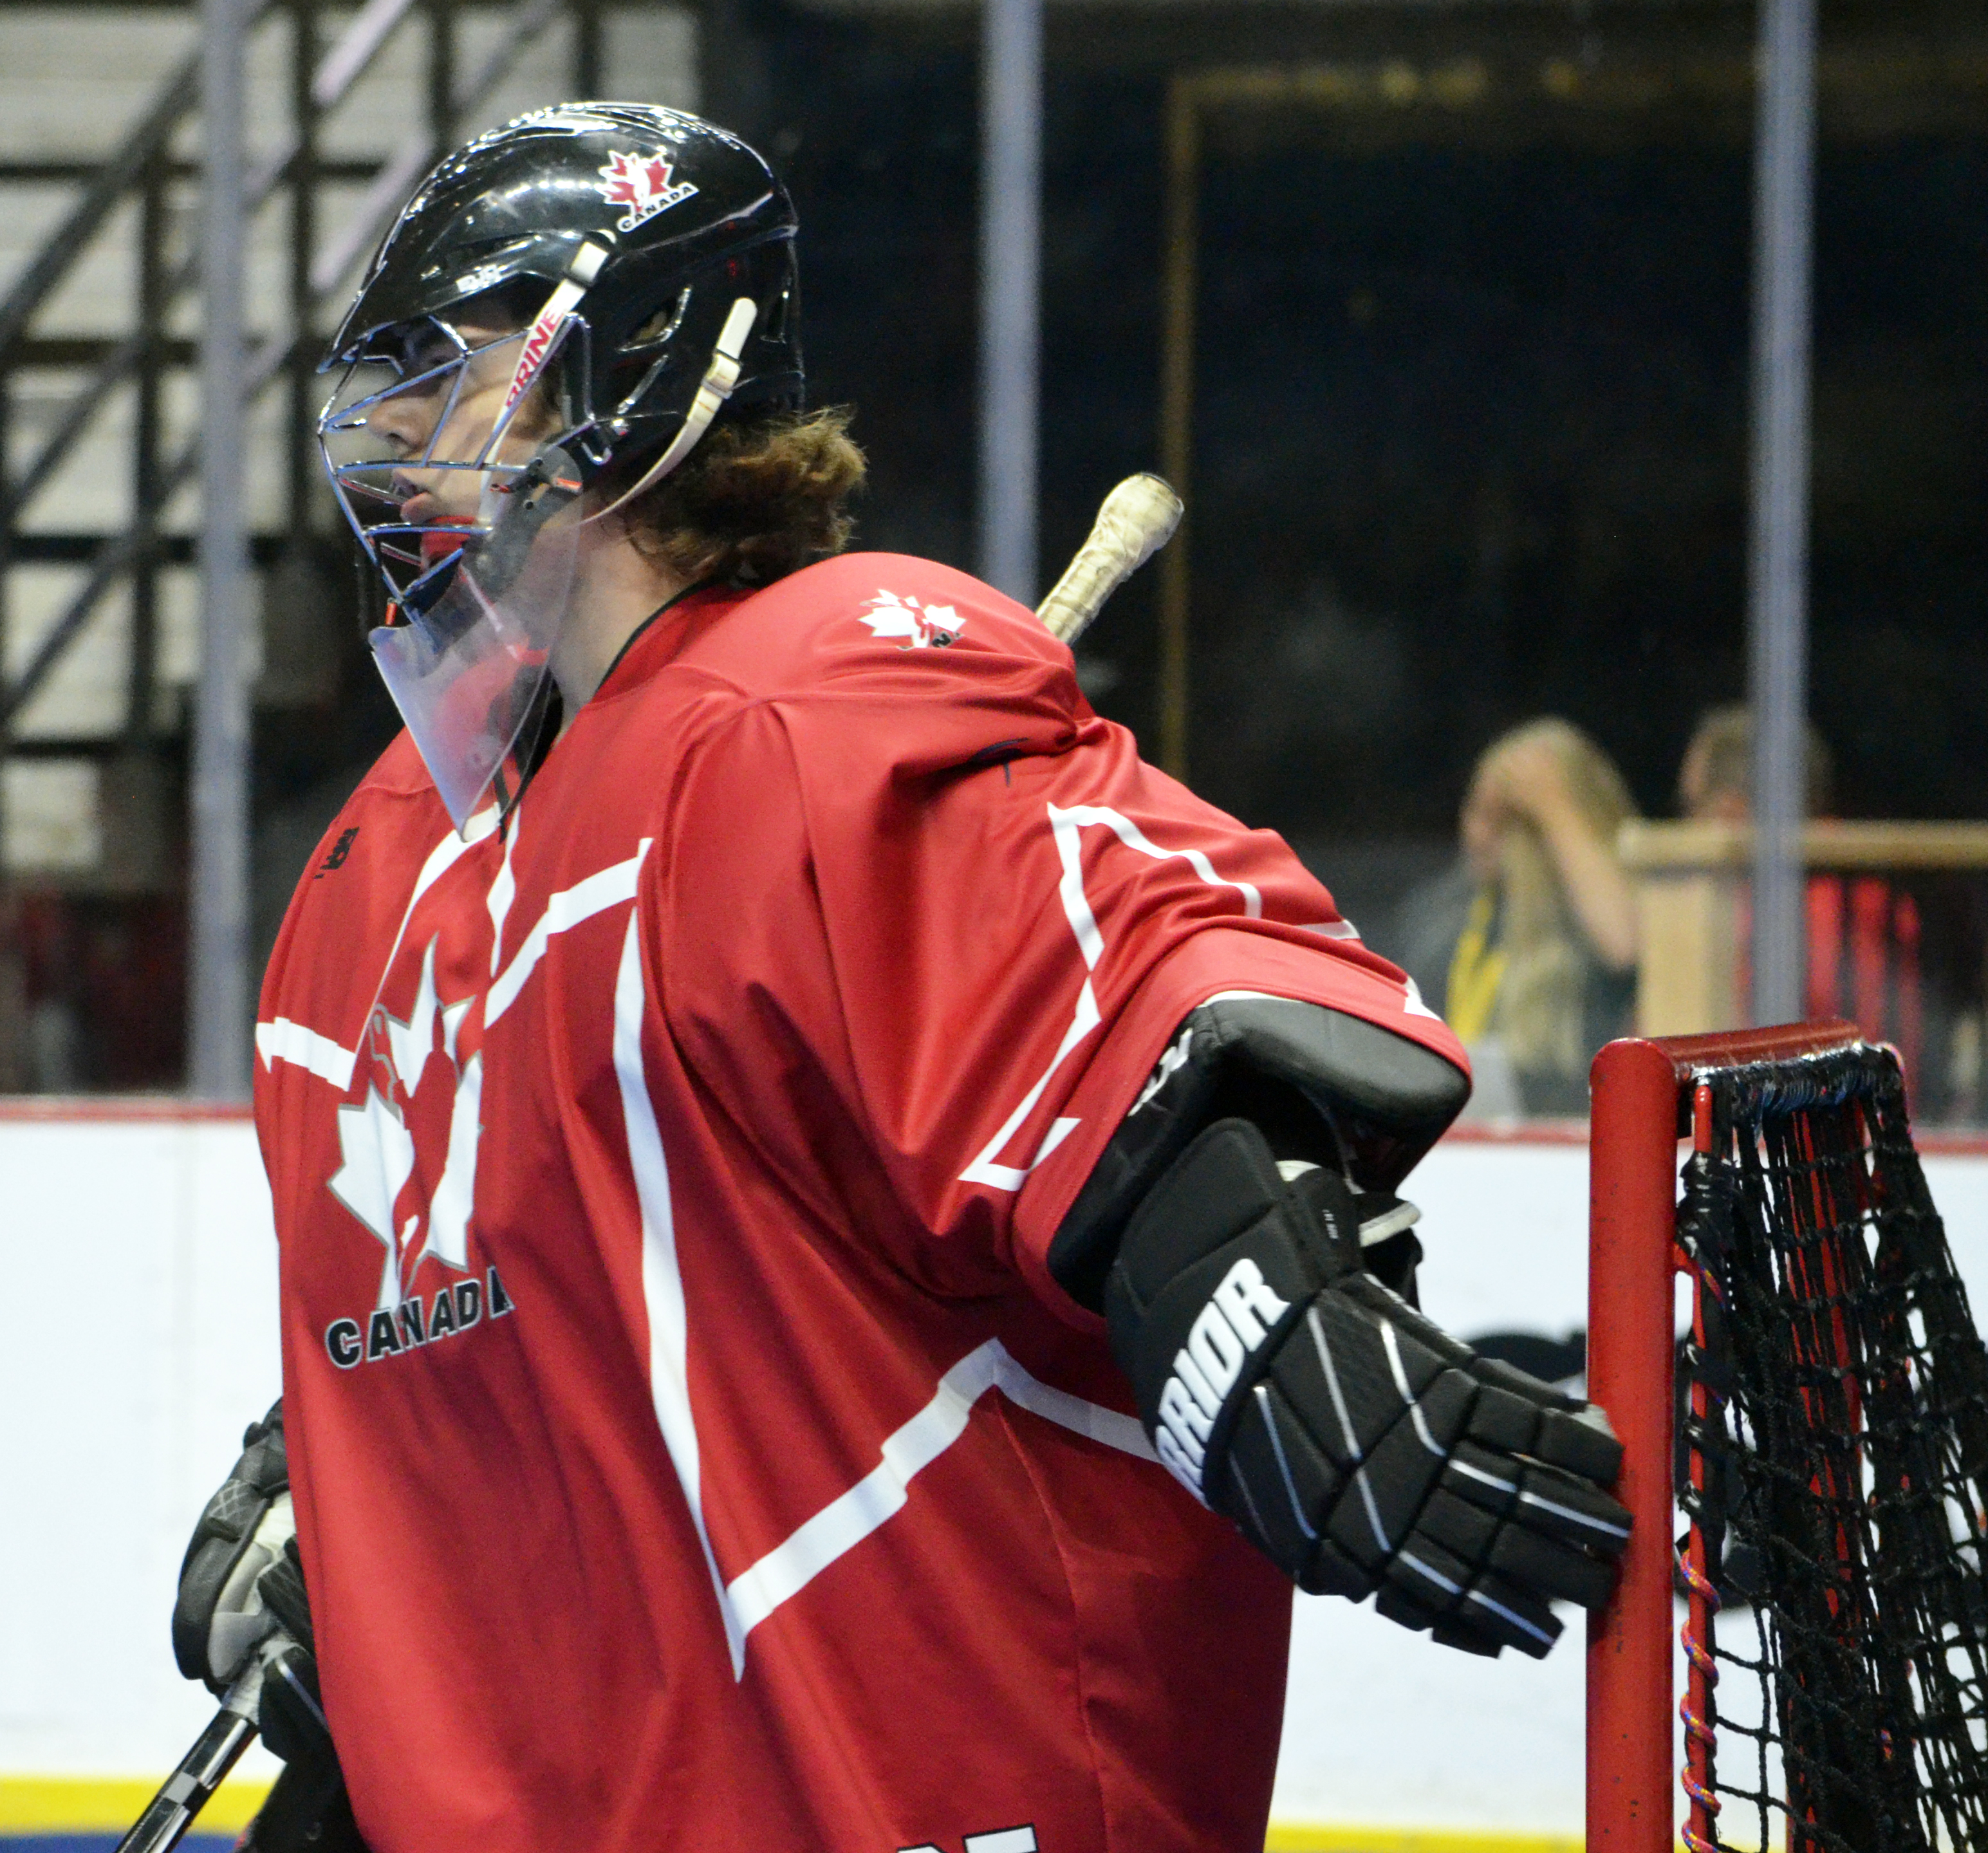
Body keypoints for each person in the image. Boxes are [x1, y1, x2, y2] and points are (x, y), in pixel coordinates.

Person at [174, 104, 1630, 1852]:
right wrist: (345, 1501)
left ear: (636, 381)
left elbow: (1141, 978)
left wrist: (1242, 1269)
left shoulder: (800, 707)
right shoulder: (370, 877)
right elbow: (519, 1285)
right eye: (381, 385)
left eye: (452, 373)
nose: (398, 442)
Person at [1678, 703, 1929, 1103]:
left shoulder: (1759, 905)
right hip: (1888, 1126)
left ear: (1730, 812)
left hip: (1781, 1141)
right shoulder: (1869, 885)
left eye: (1692, 809)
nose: (1686, 829)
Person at [1394, 718, 1639, 1118]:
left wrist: (1555, 806)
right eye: (1476, 811)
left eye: (1506, 821)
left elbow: (1625, 945)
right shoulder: (1445, 915)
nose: (1478, 836)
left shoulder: (1596, 920)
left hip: (1571, 1143)